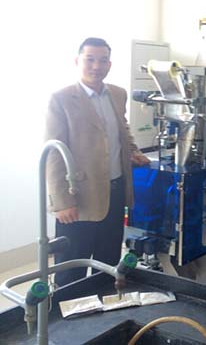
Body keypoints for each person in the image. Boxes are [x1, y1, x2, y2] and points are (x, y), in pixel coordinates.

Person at [46, 37, 150, 286]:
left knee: (108, 262)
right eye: (90, 59)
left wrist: (133, 151)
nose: (96, 66)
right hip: (79, 197)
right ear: (77, 61)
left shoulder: (118, 94)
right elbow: (54, 153)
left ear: (109, 64)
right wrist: (62, 203)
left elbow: (122, 129)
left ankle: (103, 304)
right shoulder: (61, 99)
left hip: (115, 192)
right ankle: (67, 310)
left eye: (103, 60)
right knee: (72, 267)